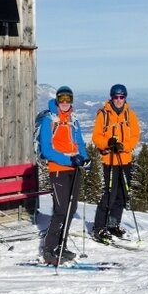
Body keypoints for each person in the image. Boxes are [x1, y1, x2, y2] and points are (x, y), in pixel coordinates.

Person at [37, 86, 90, 265]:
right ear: (57, 100)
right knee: (60, 210)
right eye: (62, 99)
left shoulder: (73, 120)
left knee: (71, 209)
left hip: (74, 170)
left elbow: (80, 143)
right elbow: (47, 150)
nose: (65, 103)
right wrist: (69, 160)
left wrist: (85, 158)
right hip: (58, 170)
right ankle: (49, 249)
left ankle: (61, 245)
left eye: (68, 99)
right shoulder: (49, 120)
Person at [91, 84, 141, 243]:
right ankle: (99, 227)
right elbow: (96, 137)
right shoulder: (103, 114)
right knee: (110, 193)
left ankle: (113, 224)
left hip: (125, 159)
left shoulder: (130, 115)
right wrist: (108, 142)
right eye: (116, 97)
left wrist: (123, 146)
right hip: (110, 160)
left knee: (121, 194)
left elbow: (135, 136)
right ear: (111, 97)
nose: (119, 100)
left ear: (125, 98)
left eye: (122, 97)